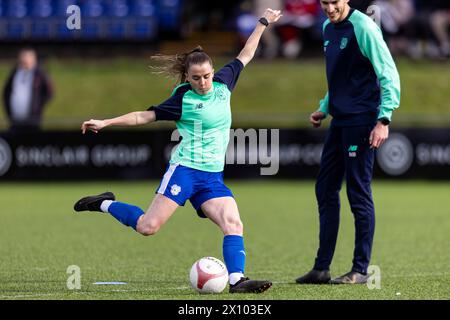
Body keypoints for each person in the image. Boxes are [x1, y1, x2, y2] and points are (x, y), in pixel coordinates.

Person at [73, 8, 282, 294]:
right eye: (196, 78)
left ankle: (237, 281)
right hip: (185, 171)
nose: (203, 82)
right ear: (187, 77)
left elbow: (246, 53)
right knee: (148, 226)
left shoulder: (223, 84)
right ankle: (103, 203)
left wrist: (263, 23)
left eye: (207, 76)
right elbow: (142, 116)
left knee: (233, 222)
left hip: (211, 177)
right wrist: (106, 122)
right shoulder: (182, 98)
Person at [295, 0, 400, 284]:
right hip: (339, 121)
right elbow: (340, 78)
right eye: (324, 2)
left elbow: (387, 72)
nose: (329, 8)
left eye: (334, 2)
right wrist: (324, 107)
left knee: (358, 193)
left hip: (362, 121)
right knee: (325, 189)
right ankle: (321, 268)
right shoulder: (328, 27)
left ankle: (361, 270)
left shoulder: (364, 26)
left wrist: (384, 119)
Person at [2, 48, 53, 133]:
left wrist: (38, 105)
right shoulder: (14, 73)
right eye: (23, 59)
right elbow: (6, 92)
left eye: (27, 59)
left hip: (32, 121)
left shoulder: (39, 74)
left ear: (34, 60)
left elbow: (49, 92)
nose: (24, 62)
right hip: (15, 121)